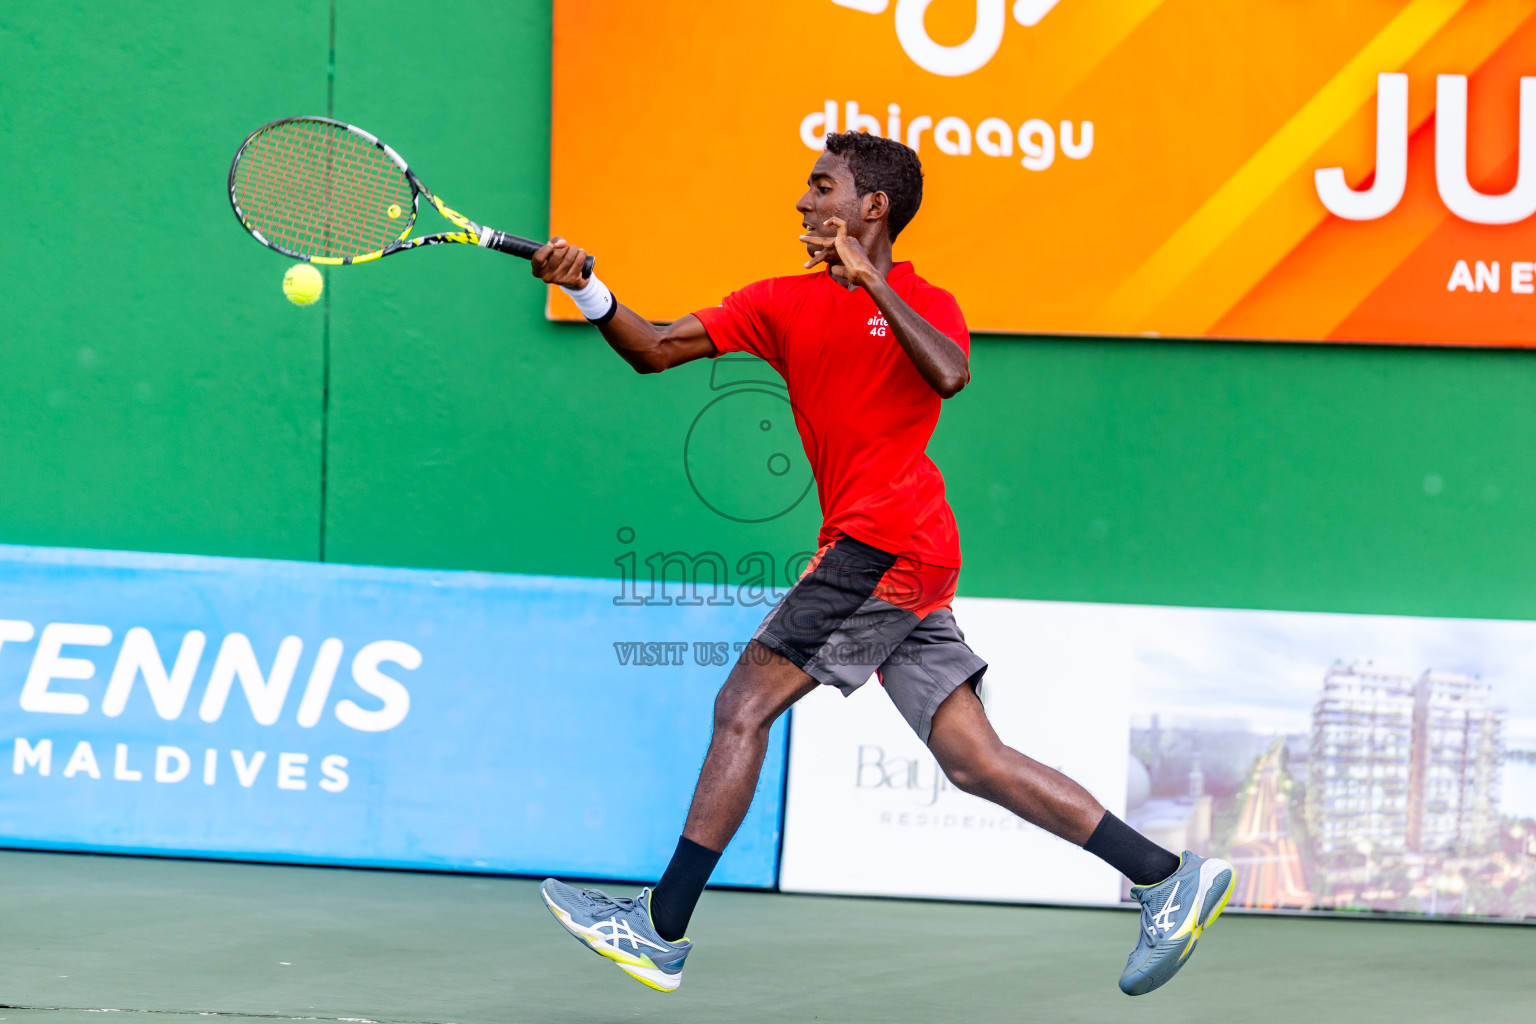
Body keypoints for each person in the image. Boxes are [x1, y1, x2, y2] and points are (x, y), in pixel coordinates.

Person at [532, 131, 1234, 997]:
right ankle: (1167, 875)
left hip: (883, 542)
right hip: (902, 554)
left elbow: (948, 374)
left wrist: (871, 283)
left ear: (873, 208)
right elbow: (654, 347)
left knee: (741, 705)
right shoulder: (779, 303)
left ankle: (661, 928)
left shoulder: (926, 300)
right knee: (974, 760)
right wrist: (590, 290)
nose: (801, 203)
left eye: (821, 187)